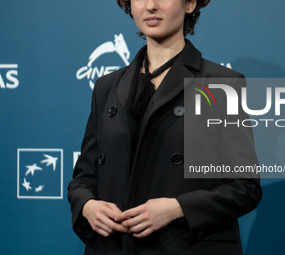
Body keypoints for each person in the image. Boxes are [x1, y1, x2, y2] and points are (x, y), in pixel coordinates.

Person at [67, 0, 262, 254]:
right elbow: (82, 178)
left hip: (184, 245)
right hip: (113, 246)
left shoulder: (221, 84)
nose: (150, 6)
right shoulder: (107, 87)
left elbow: (244, 187)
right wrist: (87, 206)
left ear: (190, 4)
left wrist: (177, 208)